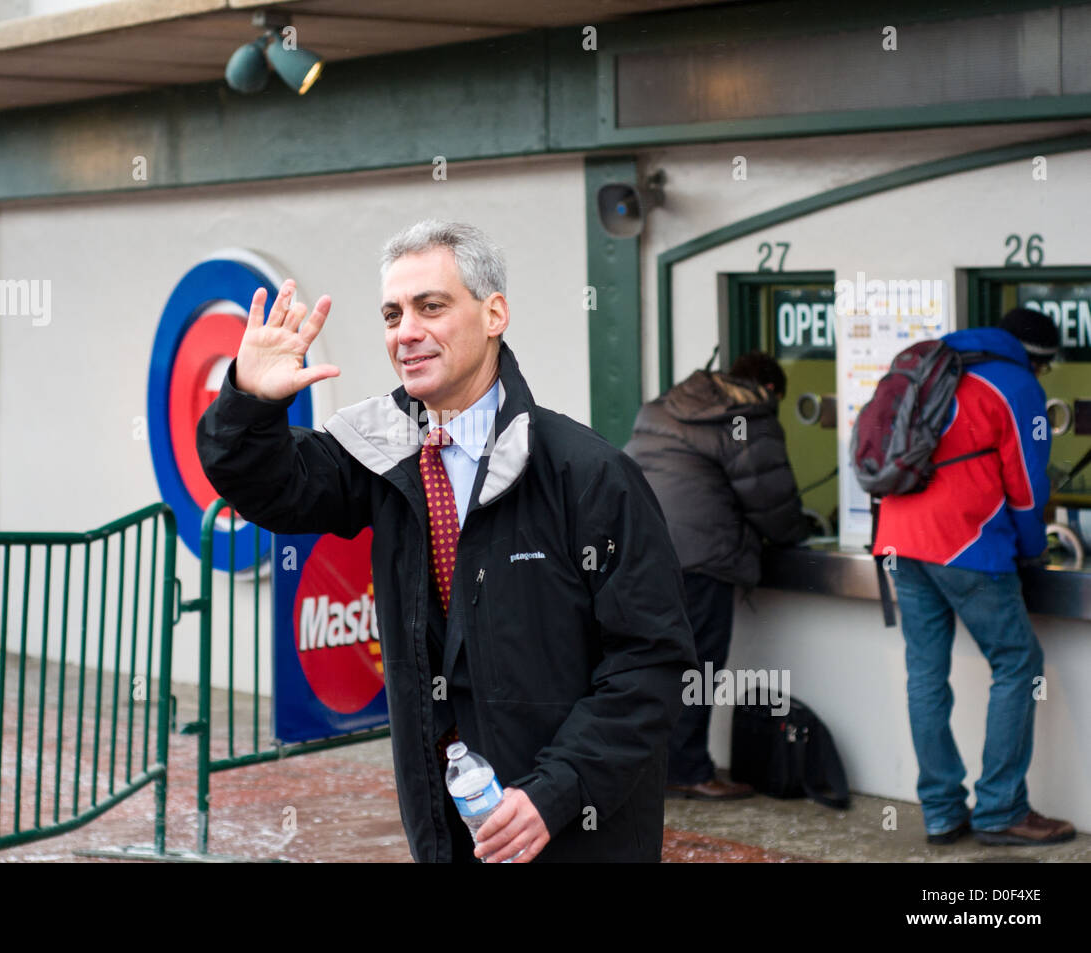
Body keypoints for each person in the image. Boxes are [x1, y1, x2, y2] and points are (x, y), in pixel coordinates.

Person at [197, 221, 696, 862]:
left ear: (494, 314)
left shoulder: (589, 474)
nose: (406, 331)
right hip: (446, 827)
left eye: (431, 306)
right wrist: (247, 399)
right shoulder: (381, 452)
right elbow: (269, 487)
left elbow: (649, 665)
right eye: (392, 314)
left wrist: (555, 791)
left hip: (576, 830)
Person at [876, 308, 1074, 846]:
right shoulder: (1015, 384)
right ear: (1037, 358)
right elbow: (1029, 487)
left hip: (896, 534)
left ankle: (941, 811)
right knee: (1018, 662)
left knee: (925, 673)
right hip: (965, 540)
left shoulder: (932, 366)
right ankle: (1001, 808)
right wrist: (1033, 549)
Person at [624, 351, 812, 800]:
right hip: (701, 560)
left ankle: (646, 768)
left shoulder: (664, 406)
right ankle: (688, 770)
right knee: (699, 666)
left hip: (640, 552)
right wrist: (798, 534)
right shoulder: (747, 416)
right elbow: (771, 502)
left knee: (652, 664)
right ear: (770, 390)